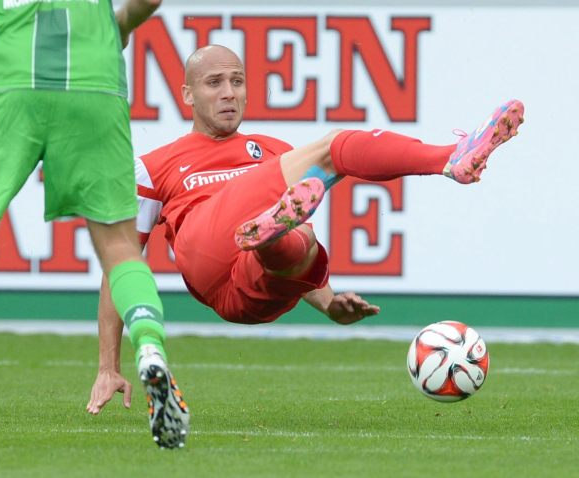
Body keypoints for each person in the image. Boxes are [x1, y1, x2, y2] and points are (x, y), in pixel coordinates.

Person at [86, 45, 524, 415]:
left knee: (303, 243)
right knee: (332, 150)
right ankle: (450, 157)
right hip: (206, 257)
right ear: (187, 94)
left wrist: (329, 302)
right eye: (214, 83)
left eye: (237, 81)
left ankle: (273, 233)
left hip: (256, 295)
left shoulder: (273, 152)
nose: (228, 93)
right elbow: (120, 264)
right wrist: (108, 365)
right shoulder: (154, 165)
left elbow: (299, 262)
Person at [0, 0, 189, 449]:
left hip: (11, 74)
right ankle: (150, 347)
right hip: (92, 73)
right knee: (119, 245)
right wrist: (116, 25)